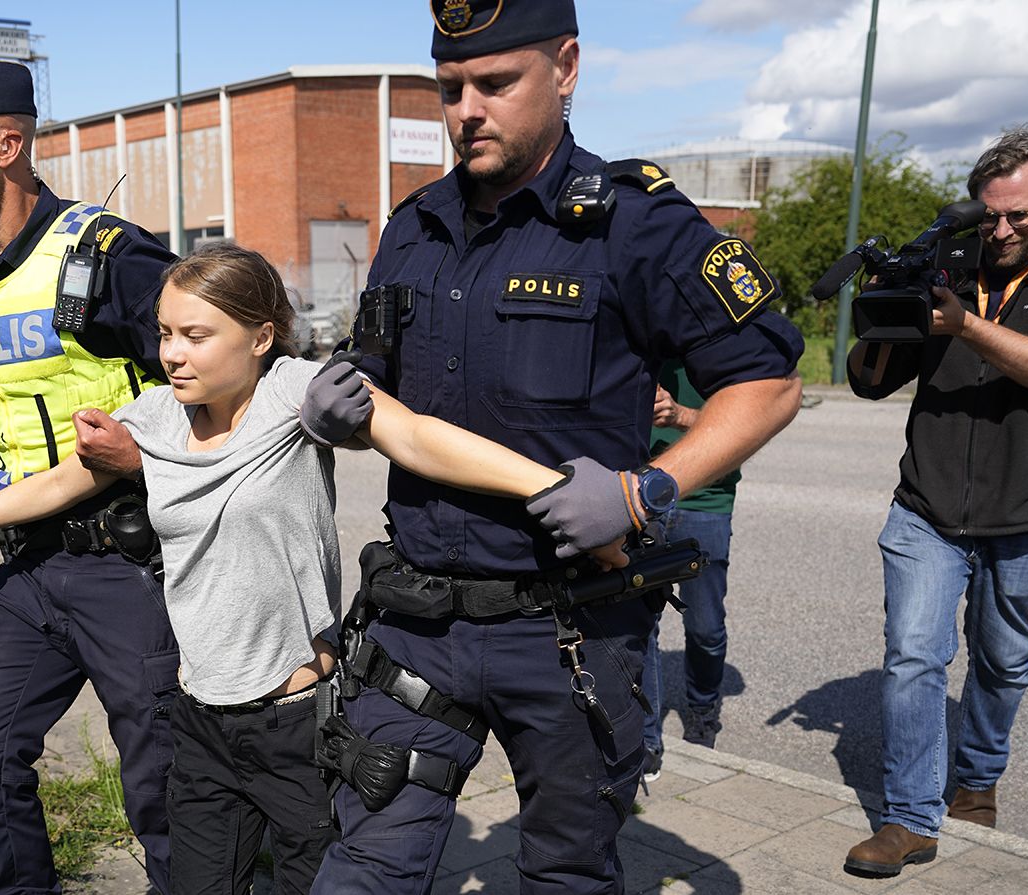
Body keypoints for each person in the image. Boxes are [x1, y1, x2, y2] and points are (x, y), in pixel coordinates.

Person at [0, 242, 628, 895]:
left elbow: (415, 436)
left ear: (260, 336)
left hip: (298, 728)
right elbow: (63, 482)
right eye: (164, 333)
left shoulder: (294, 395)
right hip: (199, 727)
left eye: (196, 335)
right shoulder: (154, 415)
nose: (172, 353)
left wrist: (557, 488)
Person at [296, 4, 804, 891]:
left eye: (496, 84)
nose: (466, 110)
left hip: (565, 629)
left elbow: (767, 384)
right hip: (418, 620)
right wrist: (344, 387)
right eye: (450, 88)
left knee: (568, 871)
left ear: (565, 68)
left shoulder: (635, 224)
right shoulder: (413, 225)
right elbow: (376, 367)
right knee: (364, 867)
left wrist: (648, 490)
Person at [0, 56, 182, 894]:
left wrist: (146, 444)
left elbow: (216, 364)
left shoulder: (108, 255)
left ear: (7, 143)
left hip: (132, 565)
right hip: (27, 567)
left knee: (165, 787)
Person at [842, 120, 1028, 879]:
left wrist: (967, 326)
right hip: (927, 503)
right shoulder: (950, 259)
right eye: (990, 214)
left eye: (1019, 215)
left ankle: (976, 778)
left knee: (1002, 659)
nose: (1001, 229)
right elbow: (870, 379)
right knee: (914, 653)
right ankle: (909, 817)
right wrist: (885, 313)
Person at [639, 361, 741, 782]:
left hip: (705, 498)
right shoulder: (639, 331)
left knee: (705, 628)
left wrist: (679, 415)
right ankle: (645, 739)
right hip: (638, 491)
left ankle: (702, 710)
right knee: (639, 623)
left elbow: (741, 426)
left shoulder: (722, 342)